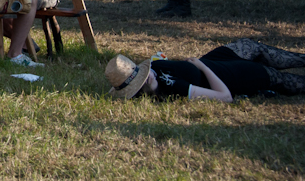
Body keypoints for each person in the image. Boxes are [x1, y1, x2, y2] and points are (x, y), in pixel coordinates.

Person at [106, 39, 305, 101]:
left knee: (251, 46)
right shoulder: (173, 88)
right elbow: (224, 96)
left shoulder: (153, 69)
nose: (146, 72)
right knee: (279, 78)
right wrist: (201, 66)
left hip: (216, 60)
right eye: (142, 78)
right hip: (226, 76)